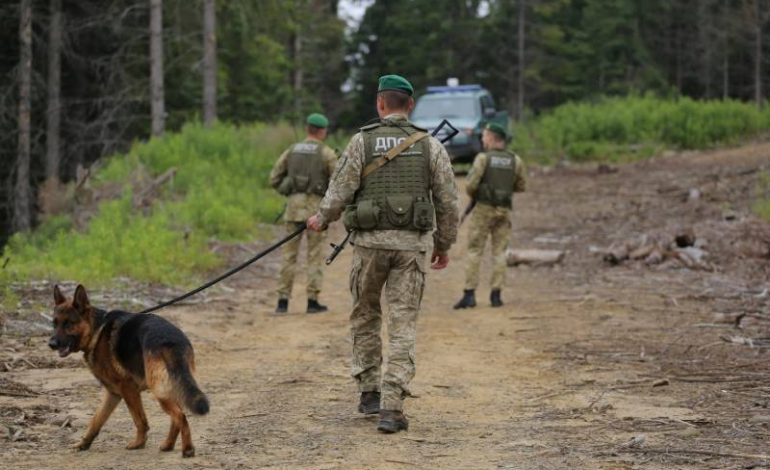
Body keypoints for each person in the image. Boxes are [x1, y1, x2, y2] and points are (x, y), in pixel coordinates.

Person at [307, 75, 459, 433]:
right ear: (410, 105)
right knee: (402, 323)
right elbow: (449, 202)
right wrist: (444, 244)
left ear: (379, 104)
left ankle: (369, 391)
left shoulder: (361, 141)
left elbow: (340, 188)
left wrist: (321, 217)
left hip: (369, 247)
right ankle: (393, 406)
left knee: (365, 315)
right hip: (411, 248)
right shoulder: (431, 146)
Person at [454, 122, 526, 310]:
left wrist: (477, 195)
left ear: (493, 138)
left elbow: (470, 185)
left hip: (484, 209)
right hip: (504, 210)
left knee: (475, 250)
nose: (482, 139)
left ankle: (469, 294)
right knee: (499, 252)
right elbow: (520, 186)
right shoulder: (515, 160)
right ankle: (496, 295)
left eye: (485, 136)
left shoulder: (482, 159)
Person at [270, 113, 337, 314]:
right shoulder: (327, 153)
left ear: (308, 129)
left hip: (293, 208)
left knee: (288, 256)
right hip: (317, 211)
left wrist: (290, 189)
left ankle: (282, 302)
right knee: (314, 256)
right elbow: (338, 182)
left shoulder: (291, 150)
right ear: (322, 131)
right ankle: (312, 301)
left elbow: (274, 178)